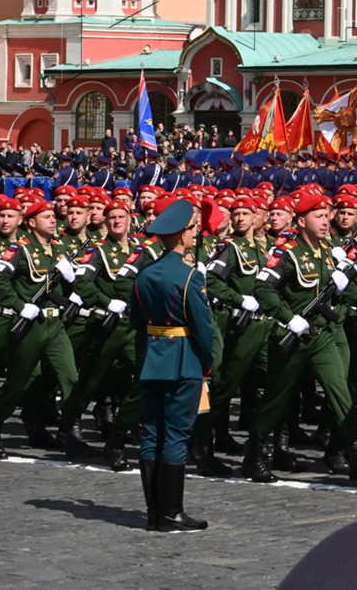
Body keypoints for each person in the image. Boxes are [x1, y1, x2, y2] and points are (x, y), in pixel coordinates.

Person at [130, 196, 215, 533]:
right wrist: (207, 364)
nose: (195, 234)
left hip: (153, 358)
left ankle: (154, 512)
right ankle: (171, 513)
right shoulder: (190, 276)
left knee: (152, 432)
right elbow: (203, 328)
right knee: (177, 436)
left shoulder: (144, 273)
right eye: (192, 229)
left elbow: (136, 321)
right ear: (182, 235)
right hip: (184, 359)